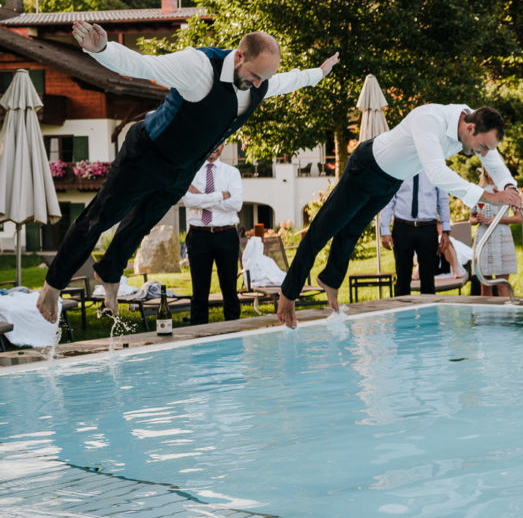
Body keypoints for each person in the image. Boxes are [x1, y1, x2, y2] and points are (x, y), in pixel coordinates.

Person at [36, 21, 339, 323]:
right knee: (100, 218)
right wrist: (103, 50)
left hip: (182, 169)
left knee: (140, 224)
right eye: (255, 76)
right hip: (145, 155)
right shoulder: (199, 67)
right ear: (239, 57)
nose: (259, 84)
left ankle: (109, 272)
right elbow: (143, 65)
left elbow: (288, 81)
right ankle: (54, 283)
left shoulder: (259, 83)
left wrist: (319, 74)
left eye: (264, 79)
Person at [276, 105, 521, 327]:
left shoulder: (471, 128)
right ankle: (288, 293)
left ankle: (330, 279)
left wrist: (510, 188)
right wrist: (488, 197)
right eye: (483, 147)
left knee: (351, 230)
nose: (484, 153)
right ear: (470, 128)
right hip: (366, 167)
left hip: (391, 181)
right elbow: (436, 173)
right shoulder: (430, 120)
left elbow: (494, 162)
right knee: (323, 229)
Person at [182, 144, 242, 325]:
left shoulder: (232, 173)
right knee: (199, 292)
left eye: (219, 144)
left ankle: (233, 332)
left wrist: (202, 197)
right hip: (199, 237)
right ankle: (199, 338)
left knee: (230, 289)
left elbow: (236, 204)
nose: (215, 148)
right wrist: (221, 196)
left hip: (226, 235)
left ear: (223, 145)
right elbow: (188, 200)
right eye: (212, 144)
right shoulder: (190, 171)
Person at [379, 172, 452, 296]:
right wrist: (385, 229)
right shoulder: (400, 165)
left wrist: (445, 230)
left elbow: (443, 199)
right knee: (402, 279)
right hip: (403, 228)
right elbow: (389, 197)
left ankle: (428, 315)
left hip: (428, 229)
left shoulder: (433, 165)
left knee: (428, 281)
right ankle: (403, 315)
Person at [470, 168, 521, 297]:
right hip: (483, 238)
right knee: (484, 284)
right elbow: (471, 218)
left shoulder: (509, 190)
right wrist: (476, 219)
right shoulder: (478, 190)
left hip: (502, 237)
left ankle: (508, 316)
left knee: (502, 285)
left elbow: (519, 218)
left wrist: (497, 220)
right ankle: (485, 316)